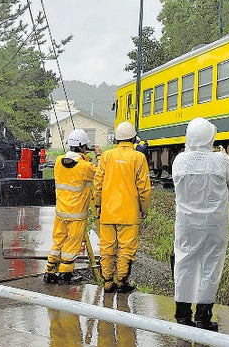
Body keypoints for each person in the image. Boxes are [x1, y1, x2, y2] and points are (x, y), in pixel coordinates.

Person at [172, 117, 229, 331]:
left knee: (184, 264)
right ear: (210, 137)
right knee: (211, 267)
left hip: (187, 224)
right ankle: (203, 317)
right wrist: (225, 158)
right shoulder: (220, 161)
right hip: (214, 225)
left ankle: (182, 315)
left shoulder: (179, 161)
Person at [93, 121, 152, 293]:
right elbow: (144, 187)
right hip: (129, 212)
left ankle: (107, 282)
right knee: (126, 248)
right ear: (134, 138)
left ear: (116, 139)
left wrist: (98, 204)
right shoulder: (138, 158)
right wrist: (144, 209)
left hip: (108, 210)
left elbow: (98, 183)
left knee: (107, 246)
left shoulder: (106, 156)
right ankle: (121, 281)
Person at [44, 128, 98, 284]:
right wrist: (97, 155)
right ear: (83, 147)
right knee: (71, 244)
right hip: (76, 214)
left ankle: (50, 271)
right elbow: (100, 173)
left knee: (58, 242)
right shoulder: (85, 167)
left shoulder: (58, 162)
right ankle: (66, 274)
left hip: (61, 212)